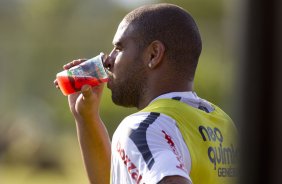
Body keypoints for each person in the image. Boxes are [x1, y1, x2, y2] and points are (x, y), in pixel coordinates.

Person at [55, 3, 237, 184]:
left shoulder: (143, 128)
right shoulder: (223, 124)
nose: (108, 60)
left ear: (153, 54)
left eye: (119, 48)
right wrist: (86, 117)